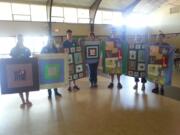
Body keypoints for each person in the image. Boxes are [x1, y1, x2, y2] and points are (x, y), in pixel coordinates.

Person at [10, 34, 32, 108]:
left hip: (26, 70)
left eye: (22, 39)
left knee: (26, 85)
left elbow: (30, 57)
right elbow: (11, 59)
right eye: (19, 39)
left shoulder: (27, 49)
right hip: (17, 71)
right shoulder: (13, 49)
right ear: (17, 40)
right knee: (19, 86)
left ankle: (27, 99)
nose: (20, 40)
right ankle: (22, 100)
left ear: (23, 39)